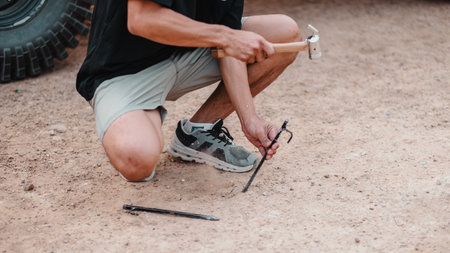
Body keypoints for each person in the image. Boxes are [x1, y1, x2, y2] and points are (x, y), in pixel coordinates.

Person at [76, 0, 301, 182]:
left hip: (187, 53)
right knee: (137, 159)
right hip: (123, 71)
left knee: (284, 32)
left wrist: (249, 118)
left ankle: (197, 132)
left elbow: (229, 46)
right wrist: (225, 36)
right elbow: (142, 18)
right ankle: (138, 117)